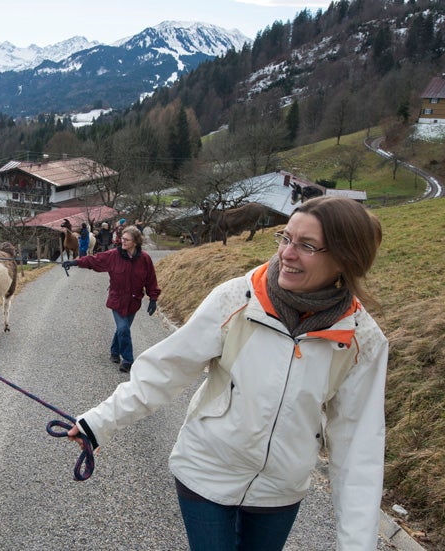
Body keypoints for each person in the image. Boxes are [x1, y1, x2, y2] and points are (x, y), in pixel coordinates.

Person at [67, 196, 388, 550]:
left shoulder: (363, 340)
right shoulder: (238, 298)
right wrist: (98, 422)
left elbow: (360, 448)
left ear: (346, 259)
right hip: (206, 473)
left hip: (279, 492)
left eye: (307, 246)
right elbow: (164, 371)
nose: (287, 254)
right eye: (285, 237)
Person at [62, 226, 160, 373]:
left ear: (135, 242)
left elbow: (151, 279)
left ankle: (115, 351)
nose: (122, 241)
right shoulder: (114, 255)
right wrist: (75, 262)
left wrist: (153, 299)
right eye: (123, 239)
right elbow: (94, 260)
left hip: (134, 301)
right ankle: (128, 360)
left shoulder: (144, 259)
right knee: (123, 329)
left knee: (122, 330)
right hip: (117, 299)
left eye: (127, 240)